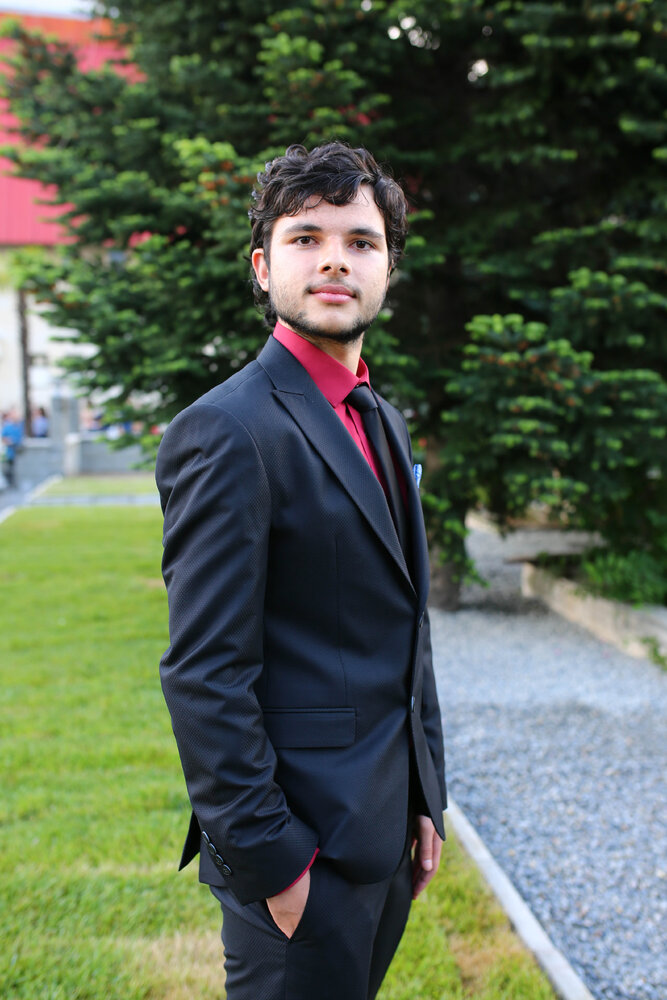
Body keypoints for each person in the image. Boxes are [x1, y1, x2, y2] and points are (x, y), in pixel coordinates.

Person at [156, 141, 447, 1000]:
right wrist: (276, 864)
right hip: (297, 854)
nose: (334, 260)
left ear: (387, 267)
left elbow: (404, 623)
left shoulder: (381, 419)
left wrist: (425, 794)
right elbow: (205, 672)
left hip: (383, 835)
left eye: (360, 241)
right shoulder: (227, 431)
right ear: (262, 266)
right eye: (305, 238)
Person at [1, 409, 24, 488]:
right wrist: (9, 441)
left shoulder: (19, 426)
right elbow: (3, 438)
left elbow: (20, 438)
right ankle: (9, 484)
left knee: (16, 469)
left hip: (17, 451)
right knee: (8, 469)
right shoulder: (7, 427)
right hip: (9, 452)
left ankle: (14, 484)